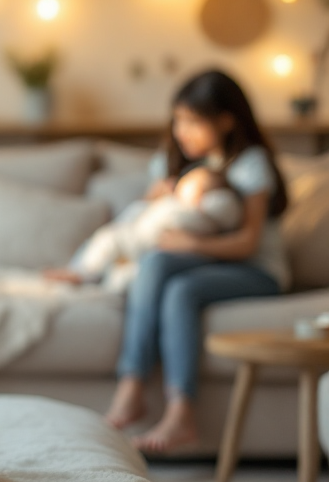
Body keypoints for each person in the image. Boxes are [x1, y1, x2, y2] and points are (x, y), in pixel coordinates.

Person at [102, 70, 289, 454]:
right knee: (155, 265)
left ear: (226, 120)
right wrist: (161, 196)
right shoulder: (174, 163)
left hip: (257, 270)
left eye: (192, 121)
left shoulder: (249, 163)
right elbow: (149, 221)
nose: (181, 131)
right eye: (177, 120)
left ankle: (181, 412)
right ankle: (132, 385)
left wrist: (190, 242)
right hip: (204, 263)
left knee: (182, 291)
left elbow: (247, 243)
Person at [56, 166, 242, 290]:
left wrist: (204, 203)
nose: (181, 186)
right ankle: (84, 274)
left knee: (126, 264)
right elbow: (133, 217)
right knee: (109, 241)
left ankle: (86, 277)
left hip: (156, 248)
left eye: (188, 183)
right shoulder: (171, 202)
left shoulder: (201, 212)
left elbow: (227, 208)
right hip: (138, 238)